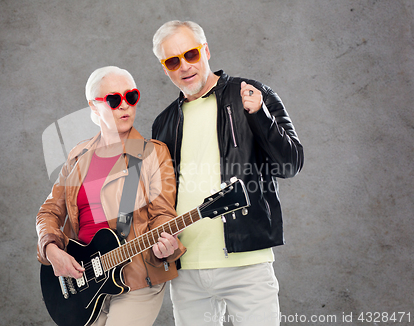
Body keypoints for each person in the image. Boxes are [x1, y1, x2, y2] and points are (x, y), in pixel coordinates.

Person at [151, 21, 304, 326]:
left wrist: (261, 116)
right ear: (164, 68)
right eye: (172, 61)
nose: (184, 66)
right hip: (187, 270)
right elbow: (161, 198)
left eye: (191, 54)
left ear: (205, 50)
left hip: (246, 263)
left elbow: (291, 164)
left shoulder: (250, 93)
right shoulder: (163, 123)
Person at [36, 66, 185, 326]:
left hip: (136, 278)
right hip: (82, 283)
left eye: (131, 97)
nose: (125, 106)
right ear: (94, 107)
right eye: (114, 100)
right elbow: (49, 211)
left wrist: (166, 243)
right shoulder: (78, 155)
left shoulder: (152, 153)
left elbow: (163, 214)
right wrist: (50, 248)